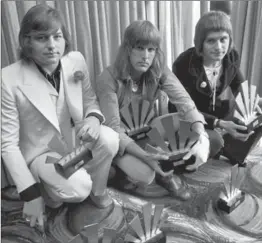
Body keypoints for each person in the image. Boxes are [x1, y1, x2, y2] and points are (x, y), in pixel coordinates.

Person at [1, 4, 119, 230]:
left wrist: (93, 119)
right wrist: (30, 194)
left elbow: (90, 100)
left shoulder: (75, 60)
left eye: (57, 37)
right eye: (41, 38)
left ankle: (97, 191)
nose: (52, 45)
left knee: (110, 138)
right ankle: (52, 189)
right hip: (41, 152)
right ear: (27, 41)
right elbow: (7, 144)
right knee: (78, 188)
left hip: (71, 140)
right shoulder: (8, 79)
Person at [96, 20, 211, 201]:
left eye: (151, 50)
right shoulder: (108, 78)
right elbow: (113, 129)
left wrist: (202, 135)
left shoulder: (157, 70)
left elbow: (184, 100)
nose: (146, 56)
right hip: (121, 141)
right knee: (146, 175)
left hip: (146, 131)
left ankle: (164, 168)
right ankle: (121, 171)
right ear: (127, 49)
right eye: (140, 48)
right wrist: (145, 157)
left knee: (191, 125)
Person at [168, 11, 262, 164]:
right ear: (200, 43)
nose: (219, 47)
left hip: (216, 110)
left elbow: (240, 88)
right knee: (215, 141)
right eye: (211, 41)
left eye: (223, 39)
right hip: (189, 118)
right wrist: (219, 123)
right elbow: (177, 108)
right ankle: (216, 144)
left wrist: (255, 104)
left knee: (258, 110)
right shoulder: (184, 63)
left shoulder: (231, 57)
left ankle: (234, 150)